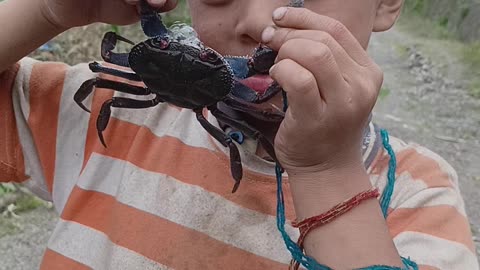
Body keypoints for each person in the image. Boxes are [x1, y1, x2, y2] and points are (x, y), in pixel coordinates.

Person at [0, 0, 478, 269]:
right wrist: (47, 12)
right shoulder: (102, 112)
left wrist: (326, 171)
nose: (257, 24)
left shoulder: (419, 198)